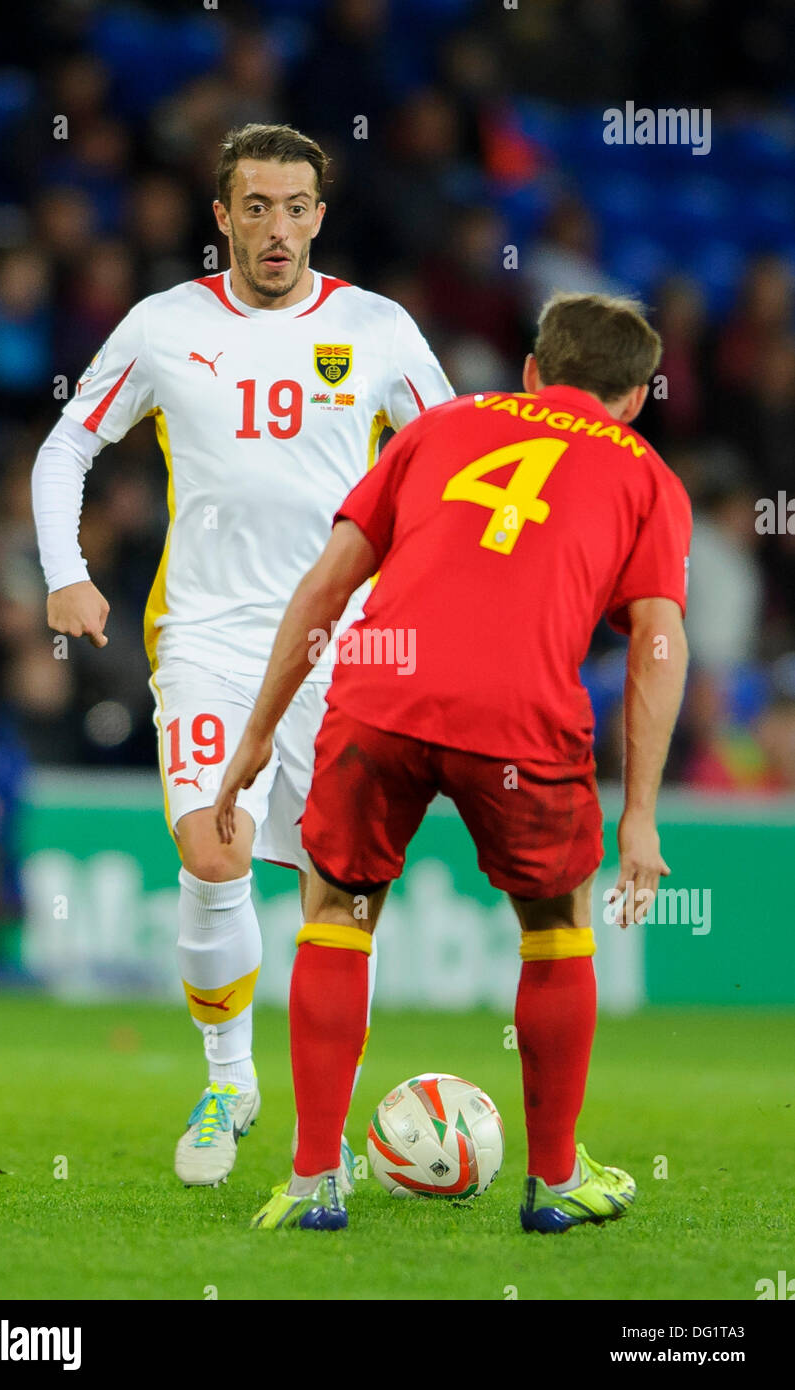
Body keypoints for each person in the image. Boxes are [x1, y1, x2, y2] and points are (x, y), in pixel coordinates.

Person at [31, 123, 453, 1188]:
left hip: (350, 649)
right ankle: (230, 1077)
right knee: (212, 851)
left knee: (341, 896)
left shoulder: (379, 327)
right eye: (254, 207)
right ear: (219, 217)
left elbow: (454, 463)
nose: (276, 229)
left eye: (294, 207)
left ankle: (326, 1139)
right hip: (211, 636)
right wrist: (65, 570)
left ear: (321, 213)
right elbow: (68, 440)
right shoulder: (165, 326)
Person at [215, 291, 692, 1232]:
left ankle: (314, 1182)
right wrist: (640, 810)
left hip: (379, 696)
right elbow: (657, 644)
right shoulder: (648, 479)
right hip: (521, 714)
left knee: (337, 913)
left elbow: (328, 580)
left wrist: (262, 727)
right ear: (636, 397)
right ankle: (553, 1182)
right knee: (554, 925)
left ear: (531, 369)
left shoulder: (439, 428)